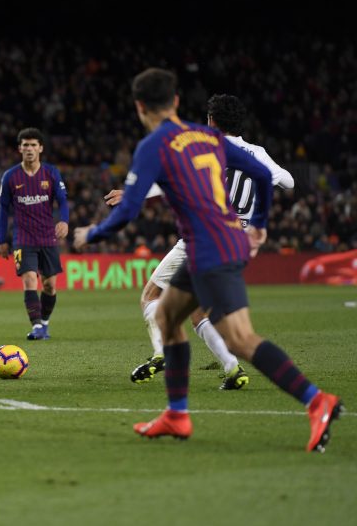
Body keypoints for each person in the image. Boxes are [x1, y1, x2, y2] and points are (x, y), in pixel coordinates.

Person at [73, 68, 342, 452]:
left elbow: (127, 211)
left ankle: (317, 401)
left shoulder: (154, 145)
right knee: (168, 316)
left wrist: (91, 235)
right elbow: (262, 174)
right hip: (221, 242)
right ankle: (177, 414)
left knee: (240, 338)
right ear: (176, 101)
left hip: (210, 247)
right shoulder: (206, 137)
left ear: (140, 107)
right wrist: (259, 225)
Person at [110, 94, 295, 390]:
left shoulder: (208, 148)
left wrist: (132, 194)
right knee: (198, 311)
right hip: (237, 244)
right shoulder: (257, 153)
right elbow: (288, 181)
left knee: (151, 295)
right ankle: (232, 370)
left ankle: (161, 352)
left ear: (211, 121)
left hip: (203, 237)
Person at [0, 128, 69, 340]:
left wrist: (64, 220)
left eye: (33, 145)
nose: (29, 149)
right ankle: (36, 325)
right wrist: (1, 239)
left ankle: (44, 323)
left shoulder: (51, 173)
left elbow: (63, 200)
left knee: (49, 285)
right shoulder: (10, 176)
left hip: (47, 237)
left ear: (41, 148)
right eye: (25, 145)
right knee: (29, 279)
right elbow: (3, 209)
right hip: (23, 238)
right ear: (20, 148)